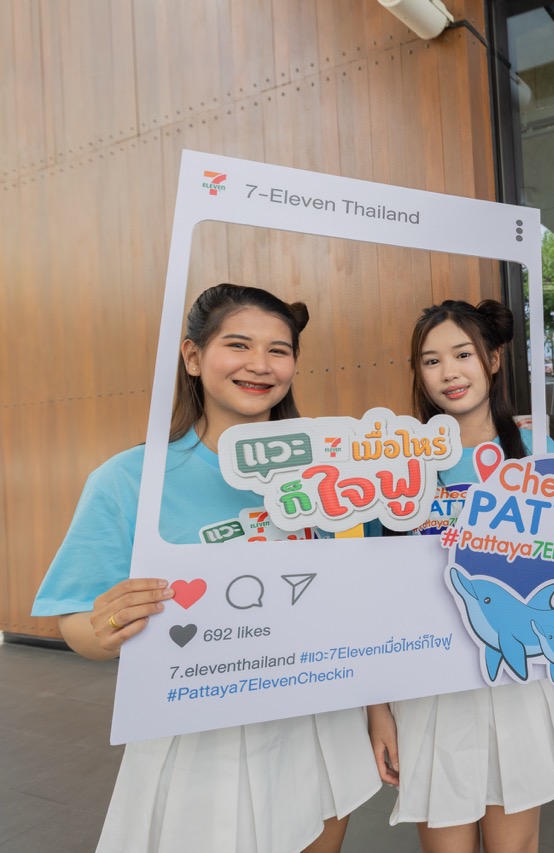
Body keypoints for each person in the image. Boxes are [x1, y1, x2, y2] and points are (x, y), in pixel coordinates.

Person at [31, 283, 381, 853]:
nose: (260, 365)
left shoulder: (335, 473)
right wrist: (108, 628)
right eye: (238, 345)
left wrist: (377, 709)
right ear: (193, 357)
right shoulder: (129, 480)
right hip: (200, 733)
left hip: (319, 719)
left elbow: (363, 600)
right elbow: (74, 619)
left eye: (279, 350)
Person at [367, 299, 554, 853]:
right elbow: (372, 593)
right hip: (427, 686)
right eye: (431, 360)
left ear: (491, 359)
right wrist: (377, 707)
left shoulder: (538, 453)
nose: (449, 372)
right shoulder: (393, 465)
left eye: (462, 354)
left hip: (516, 680)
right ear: (418, 373)